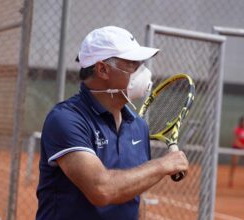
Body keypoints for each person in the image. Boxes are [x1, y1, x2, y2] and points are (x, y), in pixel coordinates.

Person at [36, 26, 189, 220]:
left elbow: (135, 195)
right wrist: (162, 165)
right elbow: (101, 189)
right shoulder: (66, 119)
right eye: (133, 64)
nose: (142, 72)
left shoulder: (138, 125)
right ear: (102, 69)